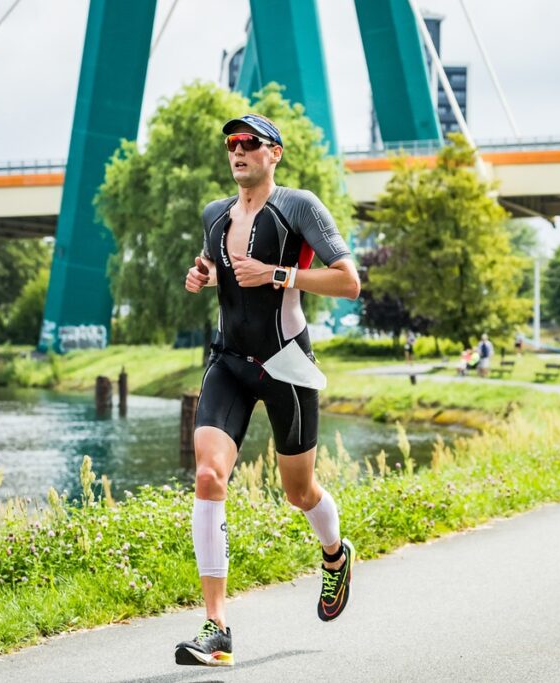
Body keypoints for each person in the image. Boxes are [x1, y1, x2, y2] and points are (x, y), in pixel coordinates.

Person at [180, 113, 361, 667]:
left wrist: (279, 275)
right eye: (231, 144)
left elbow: (349, 282)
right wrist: (201, 275)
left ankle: (335, 553)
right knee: (209, 475)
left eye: (249, 144)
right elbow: (212, 265)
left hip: (287, 365)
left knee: (298, 492)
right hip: (229, 362)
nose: (238, 151)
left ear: (273, 153)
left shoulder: (299, 206)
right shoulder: (214, 215)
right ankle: (217, 629)